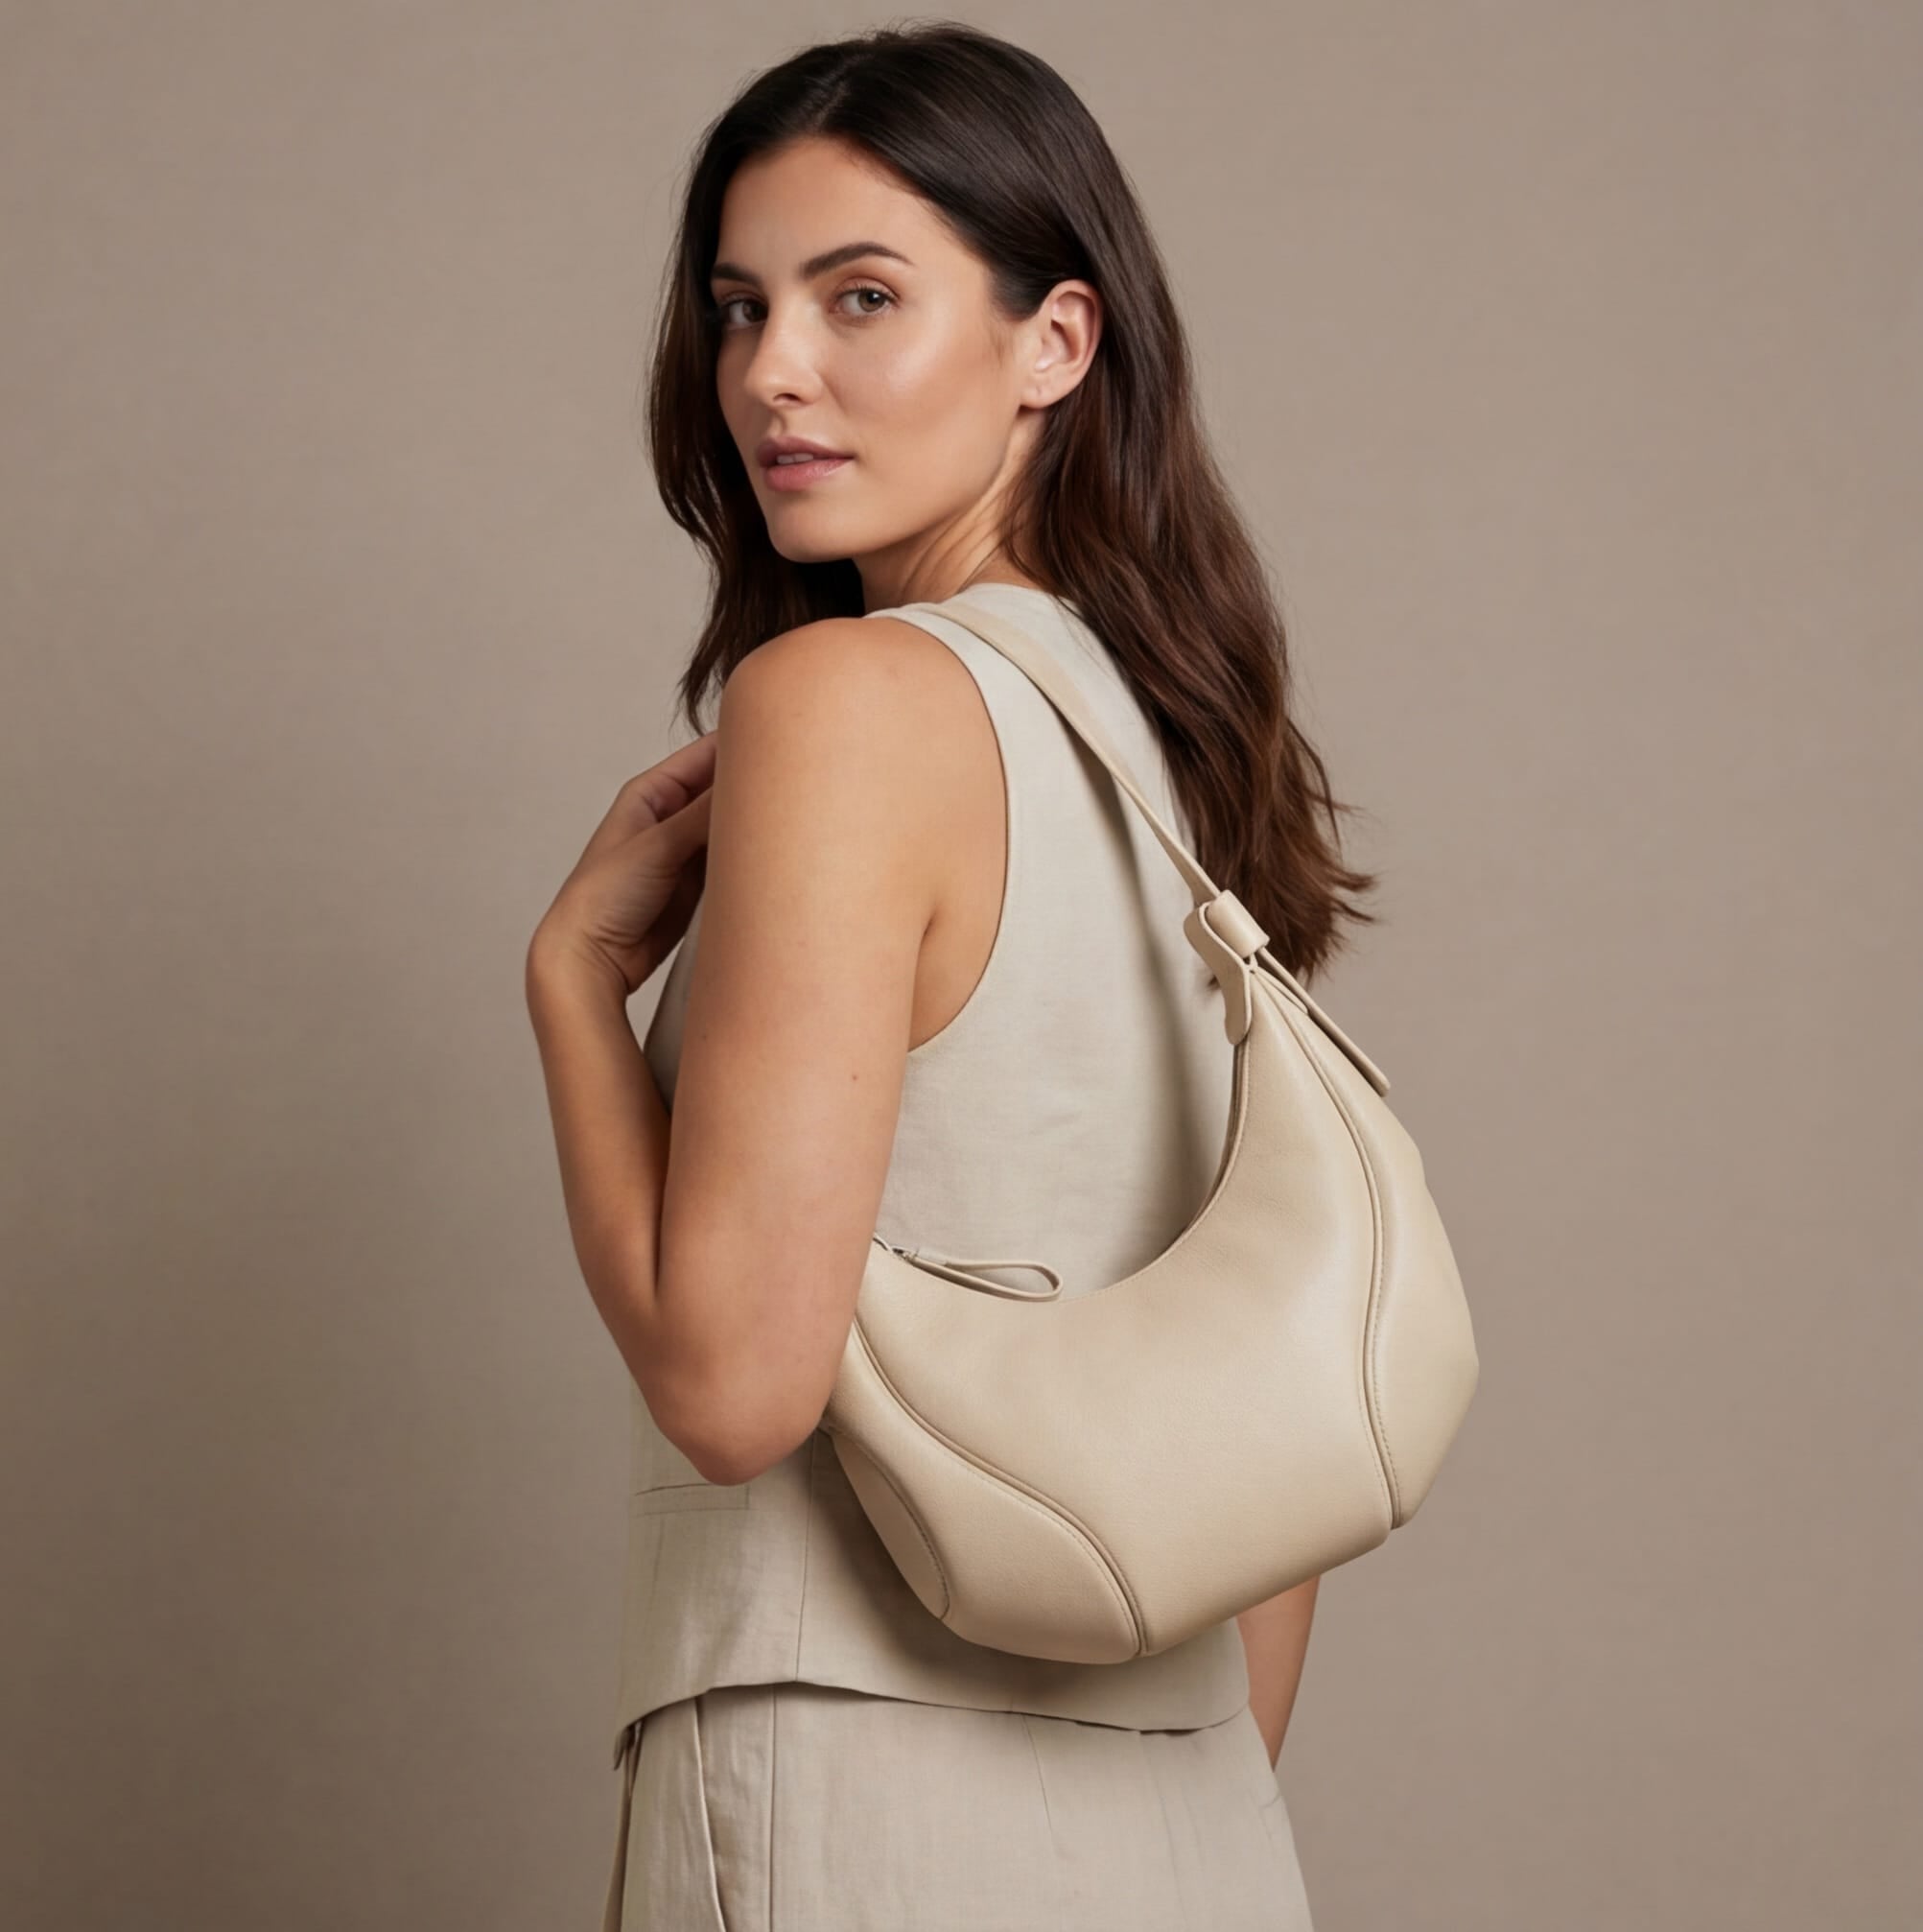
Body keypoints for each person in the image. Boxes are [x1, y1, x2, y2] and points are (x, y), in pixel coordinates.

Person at [526, 22, 1378, 1930]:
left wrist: (574, 985)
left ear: (1054, 342)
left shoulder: (840, 705)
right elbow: (1269, 1397)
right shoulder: (1184, 759)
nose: (773, 369)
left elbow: (733, 1383)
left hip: (855, 1793)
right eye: (739, 307)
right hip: (1192, 1805)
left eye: (860, 296)